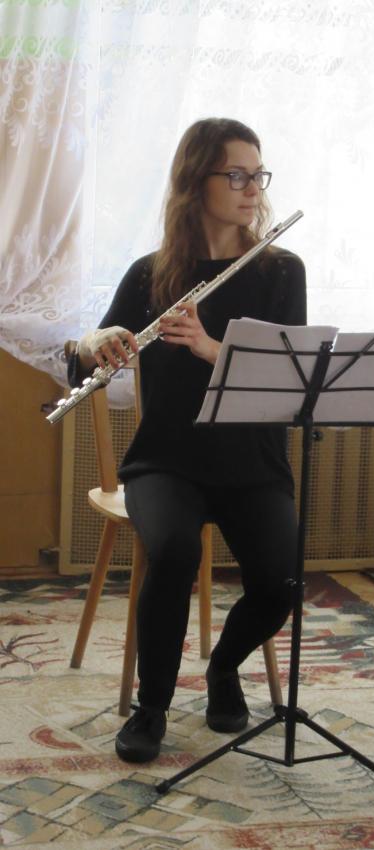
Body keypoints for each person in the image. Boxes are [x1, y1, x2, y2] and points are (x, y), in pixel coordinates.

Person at [69, 117, 307, 764]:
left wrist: (207, 346)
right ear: (196, 182)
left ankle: (224, 667)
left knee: (281, 580)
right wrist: (95, 342)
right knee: (172, 551)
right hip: (166, 460)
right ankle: (152, 707)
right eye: (236, 175)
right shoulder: (152, 274)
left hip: (252, 460)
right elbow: (84, 357)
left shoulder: (281, 270)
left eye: (258, 175)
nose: (253, 188)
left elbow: (287, 378)